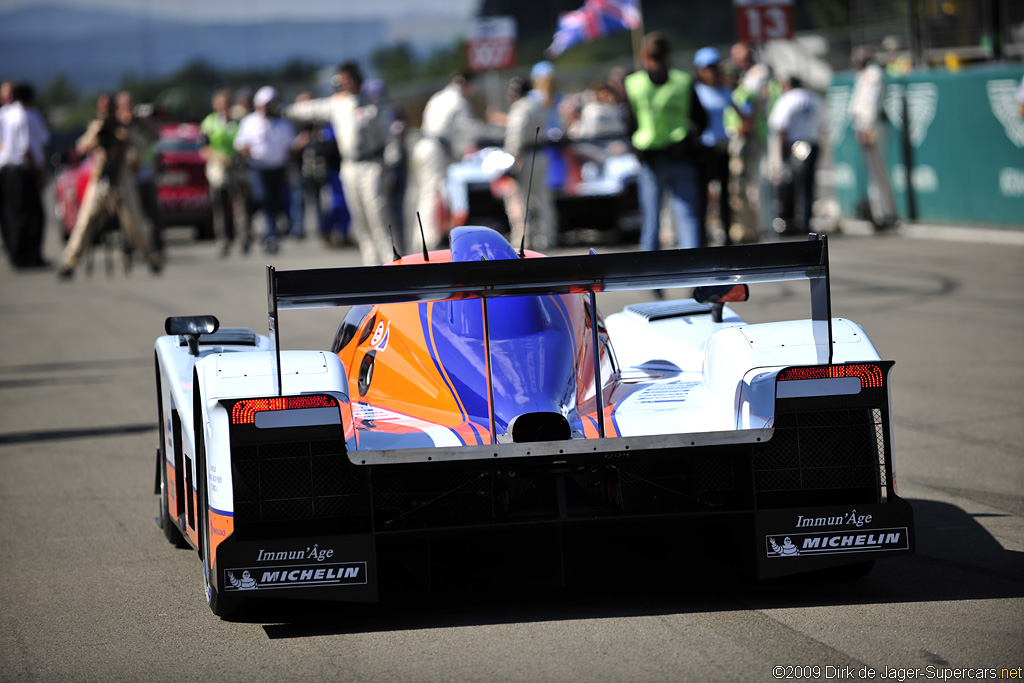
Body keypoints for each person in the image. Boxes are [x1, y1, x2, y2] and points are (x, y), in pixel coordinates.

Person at [287, 61, 394, 265]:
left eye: (349, 78)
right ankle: (370, 266)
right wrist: (284, 111)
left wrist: (390, 165)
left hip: (371, 164)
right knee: (360, 221)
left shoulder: (370, 104)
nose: (346, 83)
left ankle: (392, 262)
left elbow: (387, 137)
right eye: (342, 79)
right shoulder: (337, 104)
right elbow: (310, 108)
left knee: (379, 218)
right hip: (349, 166)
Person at [57, 92, 159, 278]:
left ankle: (150, 258)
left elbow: (139, 150)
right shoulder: (96, 127)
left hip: (121, 178)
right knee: (86, 220)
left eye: (109, 108)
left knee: (133, 221)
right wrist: (96, 137)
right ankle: (69, 262)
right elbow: (81, 147)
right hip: (100, 177)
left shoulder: (125, 129)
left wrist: (124, 141)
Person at [624, 32, 708, 252]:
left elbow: (629, 123)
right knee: (688, 219)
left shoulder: (634, 83)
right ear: (669, 54)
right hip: (681, 155)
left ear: (644, 54)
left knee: (651, 222)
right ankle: (695, 275)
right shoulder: (683, 80)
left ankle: (651, 279)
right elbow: (701, 119)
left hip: (650, 158)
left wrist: (635, 148)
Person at [411, 70, 478, 249]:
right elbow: (470, 129)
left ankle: (425, 236)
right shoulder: (458, 101)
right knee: (431, 193)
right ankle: (428, 239)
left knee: (429, 192)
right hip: (434, 148)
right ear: (467, 84)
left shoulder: (439, 96)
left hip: (425, 145)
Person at [233, 85, 297, 254]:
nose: (270, 107)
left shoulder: (283, 123)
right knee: (264, 199)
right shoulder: (250, 121)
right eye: (266, 104)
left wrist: (290, 169)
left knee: (278, 201)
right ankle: (270, 234)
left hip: (278, 168)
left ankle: (273, 232)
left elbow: (289, 148)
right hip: (258, 168)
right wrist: (245, 149)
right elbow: (240, 143)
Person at [693, 46, 744, 247]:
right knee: (703, 195)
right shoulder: (696, 91)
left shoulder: (725, 91)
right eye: (707, 68)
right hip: (704, 148)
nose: (711, 72)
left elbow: (743, 113)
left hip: (722, 146)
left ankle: (727, 236)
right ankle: (702, 238)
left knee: (725, 194)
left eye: (714, 67)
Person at [498, 75, 555, 251]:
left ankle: (522, 240)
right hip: (540, 154)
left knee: (520, 200)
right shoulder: (536, 106)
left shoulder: (520, 108)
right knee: (542, 198)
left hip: (525, 157)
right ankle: (546, 238)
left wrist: (512, 160)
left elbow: (515, 137)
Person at [768, 75, 825, 234]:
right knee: (808, 185)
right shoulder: (815, 98)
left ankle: (790, 221)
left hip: (793, 144)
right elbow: (824, 123)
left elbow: (778, 125)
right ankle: (806, 221)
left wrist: (780, 154)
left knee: (790, 183)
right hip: (812, 143)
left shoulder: (787, 99)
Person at [849, 45, 897, 230]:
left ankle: (885, 214)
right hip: (866, 126)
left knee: (879, 171)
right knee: (873, 173)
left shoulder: (873, 75)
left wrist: (866, 128)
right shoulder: (864, 75)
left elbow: (871, 105)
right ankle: (879, 213)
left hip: (873, 127)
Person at [0, 82, 46, 268]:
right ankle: (29, 257)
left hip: (7, 169)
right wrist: (39, 171)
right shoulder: (25, 115)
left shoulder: (6, 114)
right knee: (32, 215)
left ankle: (16, 254)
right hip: (22, 169)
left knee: (13, 214)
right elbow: (26, 147)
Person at [116, 91, 163, 269]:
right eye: (127, 105)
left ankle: (157, 248)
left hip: (144, 175)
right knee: (128, 218)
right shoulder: (118, 125)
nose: (130, 109)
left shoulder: (141, 123)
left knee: (153, 214)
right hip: (127, 179)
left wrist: (144, 121)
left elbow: (156, 137)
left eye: (132, 104)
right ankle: (128, 251)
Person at [200, 89, 243, 256]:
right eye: (220, 104)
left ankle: (242, 238)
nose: (224, 107)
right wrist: (219, 158)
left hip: (237, 165)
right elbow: (203, 148)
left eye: (226, 104)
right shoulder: (209, 122)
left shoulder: (238, 122)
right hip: (218, 166)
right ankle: (223, 239)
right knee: (220, 205)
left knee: (240, 204)